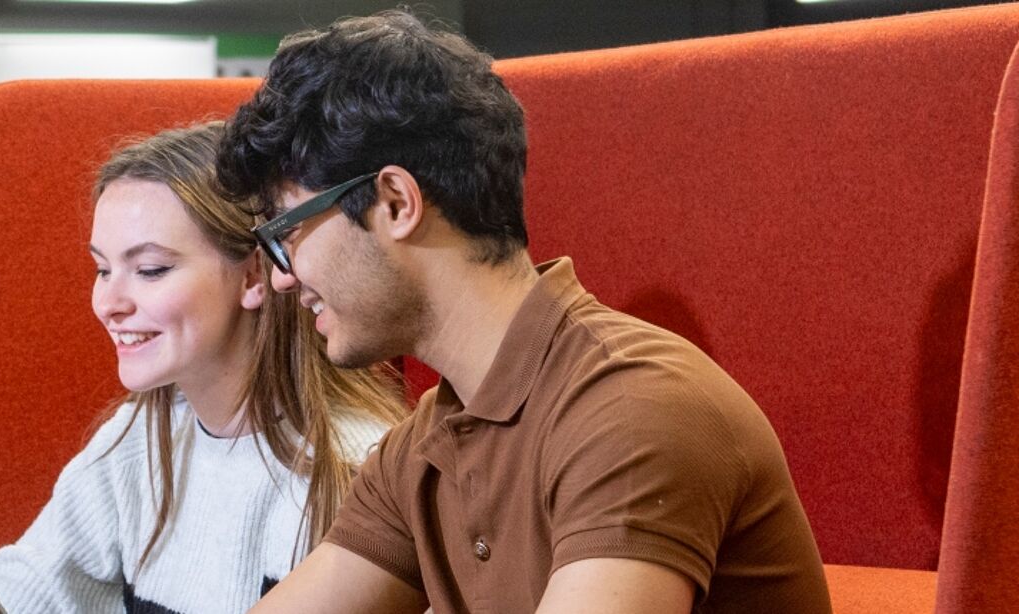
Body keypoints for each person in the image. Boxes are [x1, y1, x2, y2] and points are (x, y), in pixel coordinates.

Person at [215, 11, 830, 613]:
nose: (281, 277)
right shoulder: (425, 444)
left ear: (396, 203)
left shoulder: (630, 409)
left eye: (287, 230)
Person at [0, 121, 409, 614]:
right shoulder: (138, 438)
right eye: (102, 269)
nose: (108, 303)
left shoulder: (348, 469)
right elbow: (21, 590)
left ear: (254, 275)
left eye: (150, 270)